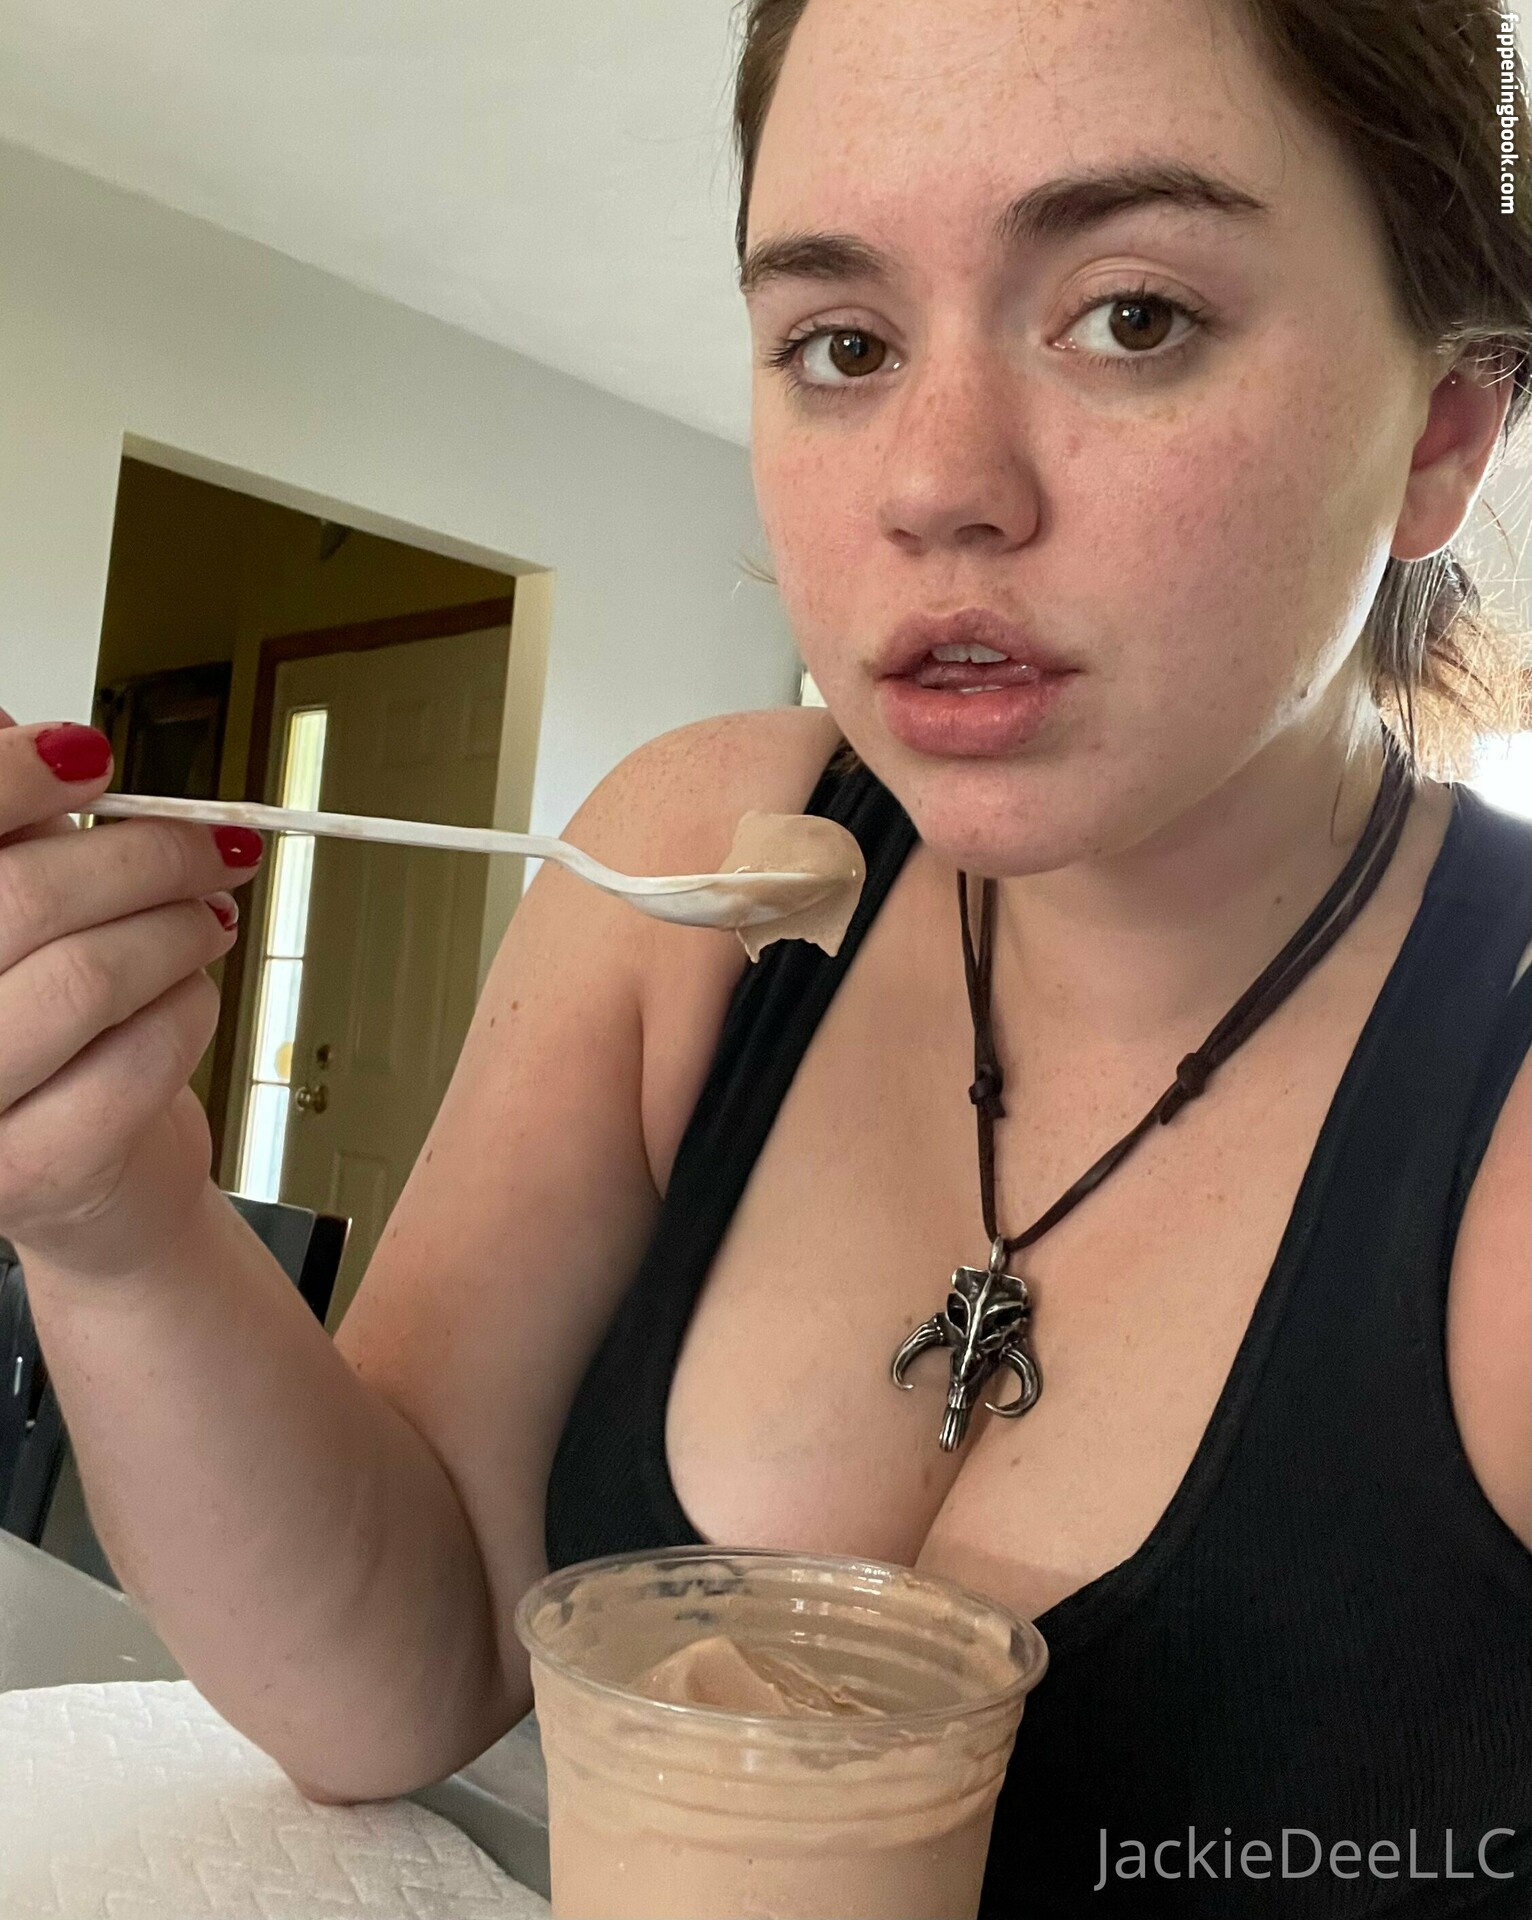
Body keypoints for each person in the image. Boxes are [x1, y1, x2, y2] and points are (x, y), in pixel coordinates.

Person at [1, 0, 1528, 1910]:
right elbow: (393, 1675)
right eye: (844, 345)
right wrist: (108, 1208)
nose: (933, 482)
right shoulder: (698, 873)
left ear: (1442, 428)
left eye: (1133, 316)